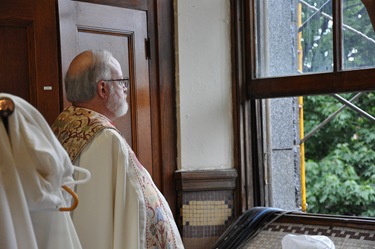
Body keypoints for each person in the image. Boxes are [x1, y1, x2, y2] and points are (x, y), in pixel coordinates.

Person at [51, 49, 184, 249]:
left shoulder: (65, 123)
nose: (125, 88)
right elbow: (127, 213)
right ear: (102, 89)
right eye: (121, 81)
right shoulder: (105, 139)